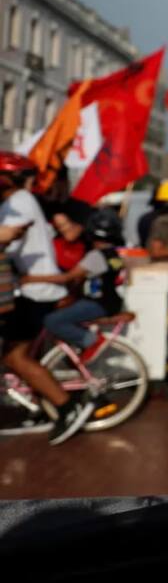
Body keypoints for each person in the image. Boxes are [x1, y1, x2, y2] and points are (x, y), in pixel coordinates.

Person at [0, 152, 92, 444]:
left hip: (34, 292)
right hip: (32, 289)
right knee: (24, 355)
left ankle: (67, 406)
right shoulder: (21, 202)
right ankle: (43, 406)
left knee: (16, 358)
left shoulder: (16, 205)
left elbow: (9, 239)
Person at [21, 209, 127, 357]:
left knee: (52, 320)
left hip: (97, 303)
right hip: (110, 301)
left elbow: (67, 277)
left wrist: (31, 279)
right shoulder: (114, 254)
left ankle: (91, 341)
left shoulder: (95, 256)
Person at [49, 200, 91, 271]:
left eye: (65, 224)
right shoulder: (54, 244)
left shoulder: (90, 246)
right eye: (59, 227)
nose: (63, 229)